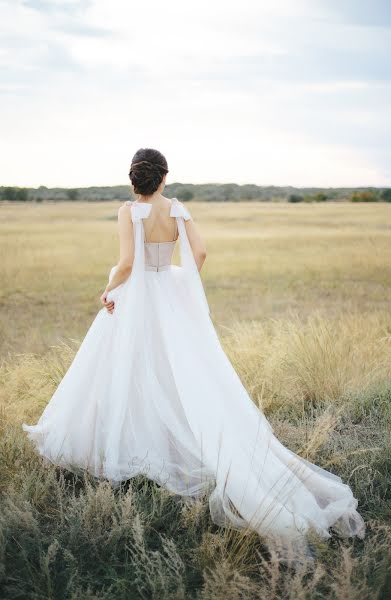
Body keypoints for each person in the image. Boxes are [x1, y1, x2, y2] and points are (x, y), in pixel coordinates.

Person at [22, 147, 365, 558]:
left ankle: (127, 449)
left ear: (134, 178)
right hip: (169, 293)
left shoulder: (129, 212)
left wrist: (109, 288)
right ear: (164, 177)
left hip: (137, 300)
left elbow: (128, 262)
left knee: (124, 370)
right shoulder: (179, 210)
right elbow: (198, 254)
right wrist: (179, 285)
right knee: (182, 374)